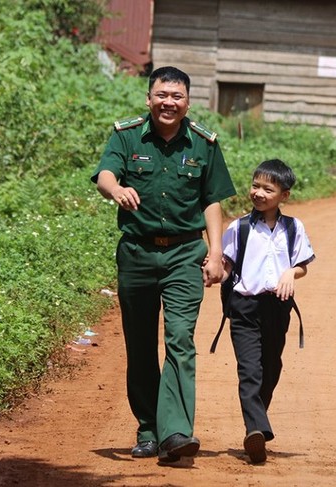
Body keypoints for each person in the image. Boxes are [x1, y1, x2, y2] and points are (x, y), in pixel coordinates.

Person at [91, 66, 236, 462]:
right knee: (139, 345)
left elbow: (212, 200)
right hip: (137, 254)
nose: (168, 102)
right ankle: (148, 429)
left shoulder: (204, 143)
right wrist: (117, 189)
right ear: (148, 98)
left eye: (176, 96)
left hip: (184, 255)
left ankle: (175, 433)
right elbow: (105, 174)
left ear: (187, 102)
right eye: (161, 95)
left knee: (179, 340)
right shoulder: (126, 135)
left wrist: (216, 253)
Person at [220, 159, 315, 464]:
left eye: (267, 188)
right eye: (255, 186)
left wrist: (291, 273)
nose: (258, 193)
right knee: (250, 370)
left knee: (271, 368)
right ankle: (255, 430)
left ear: (284, 195)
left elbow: (301, 265)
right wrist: (212, 271)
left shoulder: (293, 227)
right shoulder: (240, 228)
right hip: (245, 308)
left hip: (277, 308)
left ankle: (257, 423)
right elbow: (225, 266)